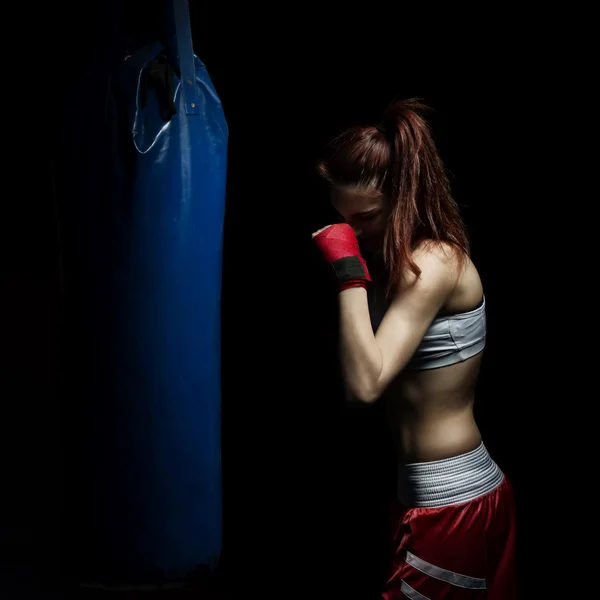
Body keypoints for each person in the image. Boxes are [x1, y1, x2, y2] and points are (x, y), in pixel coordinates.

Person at [312, 98, 516, 599]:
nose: (351, 233)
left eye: (365, 217)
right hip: (419, 498)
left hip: (455, 502)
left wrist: (345, 268)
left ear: (402, 196)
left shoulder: (436, 262)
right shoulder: (391, 262)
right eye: (341, 219)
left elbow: (364, 386)